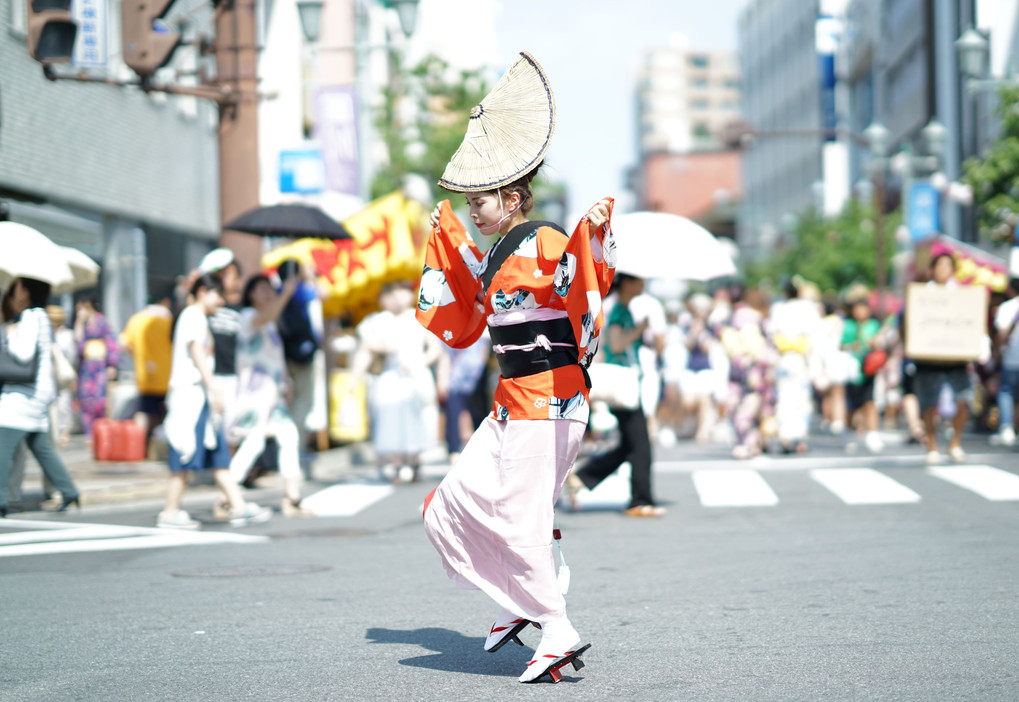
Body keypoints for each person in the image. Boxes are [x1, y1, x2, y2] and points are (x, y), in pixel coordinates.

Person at [415, 50, 607, 685]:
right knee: (448, 506)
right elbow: (466, 318)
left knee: (516, 519)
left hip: (549, 402)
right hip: (513, 405)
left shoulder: (547, 241)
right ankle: (520, 603)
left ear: (515, 195)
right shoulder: (495, 254)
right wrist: (446, 237)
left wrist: (590, 243)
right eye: (469, 199)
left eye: (483, 197)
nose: (474, 207)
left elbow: (581, 284)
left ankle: (554, 624)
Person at [158, 275, 271, 529]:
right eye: (217, 295)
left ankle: (238, 506)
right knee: (185, 452)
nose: (221, 301)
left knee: (218, 454)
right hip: (192, 396)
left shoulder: (196, 317)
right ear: (202, 292)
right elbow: (196, 351)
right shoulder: (193, 316)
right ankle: (170, 511)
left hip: (200, 397)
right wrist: (214, 389)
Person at [565, 273, 665, 517]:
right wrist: (640, 329)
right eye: (639, 280)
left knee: (631, 445)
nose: (643, 283)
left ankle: (583, 477)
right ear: (628, 283)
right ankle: (640, 500)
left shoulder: (623, 310)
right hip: (623, 386)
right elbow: (617, 344)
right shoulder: (620, 310)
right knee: (641, 445)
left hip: (628, 384)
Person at [225, 274, 313, 517]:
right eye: (262, 289)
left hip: (273, 392)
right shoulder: (248, 317)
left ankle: (292, 498)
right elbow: (265, 317)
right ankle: (227, 494)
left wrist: (286, 380)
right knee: (254, 441)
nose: (268, 293)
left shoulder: (272, 321)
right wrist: (286, 292)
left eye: (270, 289)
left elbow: (275, 355)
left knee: (288, 436)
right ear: (250, 294)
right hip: (255, 391)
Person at [0, 277, 81, 517]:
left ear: (24, 291)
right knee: (42, 448)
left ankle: (1, 498)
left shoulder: (30, 317)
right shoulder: (42, 316)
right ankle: (69, 491)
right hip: (39, 393)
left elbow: (23, 354)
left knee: (3, 448)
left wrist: (8, 337)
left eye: (15, 288)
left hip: (23, 395)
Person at [352, 282, 443, 483]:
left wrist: (419, 363)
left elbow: (434, 349)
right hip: (391, 377)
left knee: (417, 418)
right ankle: (397, 462)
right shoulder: (376, 321)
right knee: (391, 419)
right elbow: (366, 350)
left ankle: (414, 460)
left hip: (416, 377)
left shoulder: (420, 317)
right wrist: (354, 378)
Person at [913, 254, 975, 464]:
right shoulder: (921, 294)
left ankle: (955, 442)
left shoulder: (962, 294)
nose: (944, 269)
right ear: (932, 269)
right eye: (940, 265)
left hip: (956, 357)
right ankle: (932, 445)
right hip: (928, 358)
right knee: (929, 404)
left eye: (948, 266)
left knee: (963, 400)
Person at [200, 248, 244, 443]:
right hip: (211, 375)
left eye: (228, 273)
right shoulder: (208, 306)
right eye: (219, 273)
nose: (223, 277)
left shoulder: (245, 309)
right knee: (212, 431)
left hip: (235, 376)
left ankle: (229, 470)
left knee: (233, 431)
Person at [119, 294, 173, 439]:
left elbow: (124, 343)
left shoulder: (137, 319)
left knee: (144, 411)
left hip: (145, 376)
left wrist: (139, 354)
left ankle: (137, 446)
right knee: (167, 413)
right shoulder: (168, 320)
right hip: (167, 376)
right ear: (165, 302)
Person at [840, 286, 884, 453]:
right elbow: (841, 345)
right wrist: (852, 346)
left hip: (869, 370)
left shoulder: (873, 325)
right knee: (852, 406)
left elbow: (881, 342)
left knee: (870, 402)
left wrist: (875, 344)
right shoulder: (848, 326)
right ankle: (848, 432)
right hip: (853, 371)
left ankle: (872, 433)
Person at [73, 294, 120, 438]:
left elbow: (111, 342)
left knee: (100, 400)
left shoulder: (102, 321)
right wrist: (79, 323)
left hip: (100, 366)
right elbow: (78, 343)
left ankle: (101, 432)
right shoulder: (84, 323)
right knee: (86, 399)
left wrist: (112, 364)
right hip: (87, 366)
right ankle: (89, 433)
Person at [992, 277, 1019, 447]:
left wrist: (996, 352)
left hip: (1012, 357)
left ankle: (1007, 427)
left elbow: (1002, 335)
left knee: (1006, 392)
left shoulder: (1007, 307)